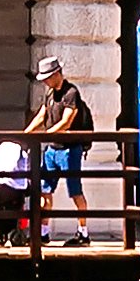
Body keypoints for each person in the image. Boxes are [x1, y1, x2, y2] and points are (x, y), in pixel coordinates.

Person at [27, 57, 96, 240]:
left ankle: (83, 232)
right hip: (52, 150)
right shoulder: (50, 94)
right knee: (45, 190)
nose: (46, 82)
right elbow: (42, 115)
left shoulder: (71, 92)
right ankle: (43, 232)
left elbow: (67, 121)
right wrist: (27, 133)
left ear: (57, 73)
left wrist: (48, 133)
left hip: (69, 149)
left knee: (75, 191)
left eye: (48, 77)